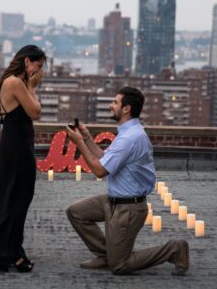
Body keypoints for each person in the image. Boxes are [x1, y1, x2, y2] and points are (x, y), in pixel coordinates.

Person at [65, 86, 190, 276]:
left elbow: (99, 171)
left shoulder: (130, 138)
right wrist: (87, 138)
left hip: (128, 209)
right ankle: (106, 255)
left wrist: (79, 144)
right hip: (113, 201)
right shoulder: (128, 133)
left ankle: (174, 249)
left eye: (115, 102)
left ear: (126, 109)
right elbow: (105, 159)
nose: (110, 105)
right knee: (76, 212)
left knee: (120, 266)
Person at [0, 45, 46, 272]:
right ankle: (11, 253)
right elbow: (35, 112)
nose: (38, 72)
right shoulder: (16, 83)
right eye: (37, 66)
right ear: (27, 61)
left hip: (16, 145)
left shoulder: (11, 81)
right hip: (16, 147)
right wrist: (32, 86)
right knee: (16, 199)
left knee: (15, 198)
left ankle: (10, 250)